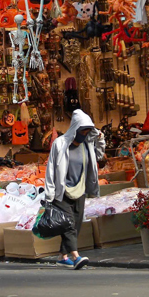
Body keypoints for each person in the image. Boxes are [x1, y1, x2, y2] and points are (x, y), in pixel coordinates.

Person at [43, 109, 106, 270]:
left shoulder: (87, 144)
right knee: (69, 223)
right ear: (75, 129)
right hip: (62, 192)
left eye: (87, 131)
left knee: (75, 224)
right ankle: (76, 256)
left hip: (80, 190)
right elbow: (51, 169)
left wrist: (100, 138)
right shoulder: (60, 144)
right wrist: (49, 194)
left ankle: (62, 256)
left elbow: (99, 155)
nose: (84, 134)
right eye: (83, 130)